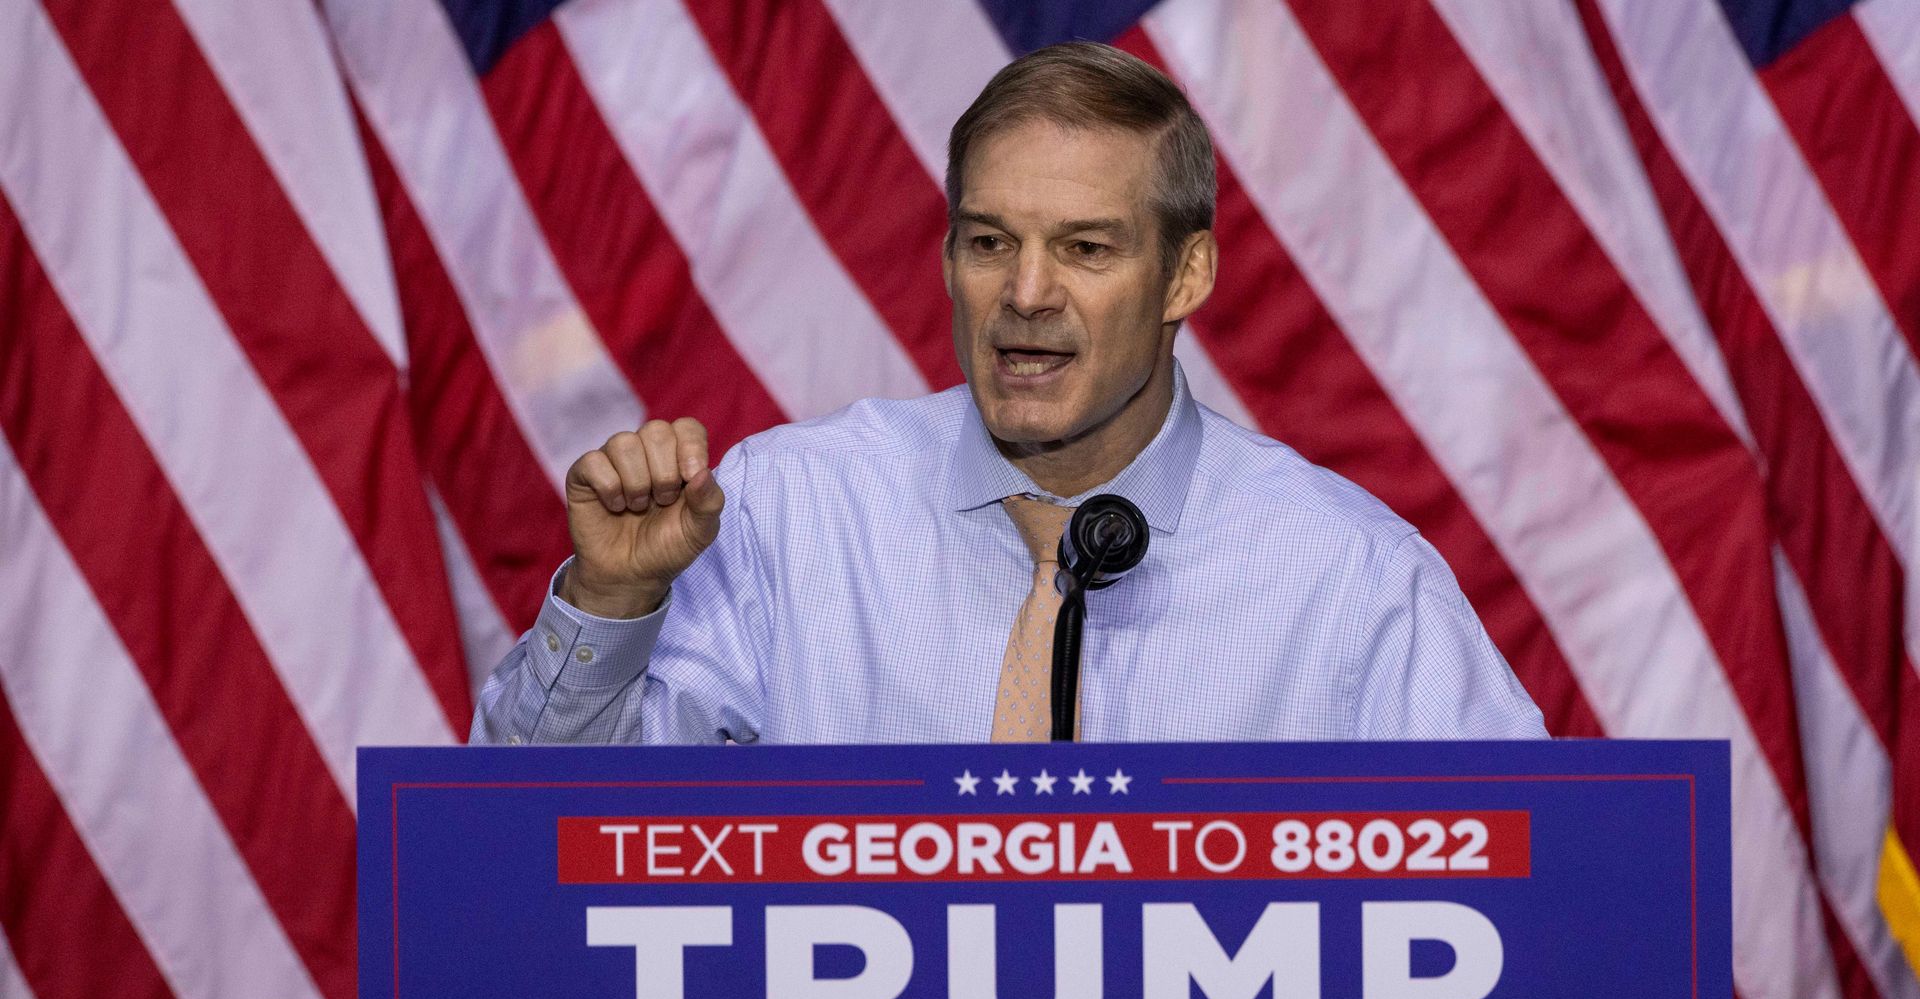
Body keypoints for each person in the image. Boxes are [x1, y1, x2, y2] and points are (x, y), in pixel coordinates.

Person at [471, 42, 1545, 746]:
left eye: (1085, 248)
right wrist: (613, 601)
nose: (1026, 296)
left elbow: (1527, 905)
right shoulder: (788, 515)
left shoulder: (1350, 579)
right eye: (990, 243)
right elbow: (525, 851)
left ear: (1186, 275)